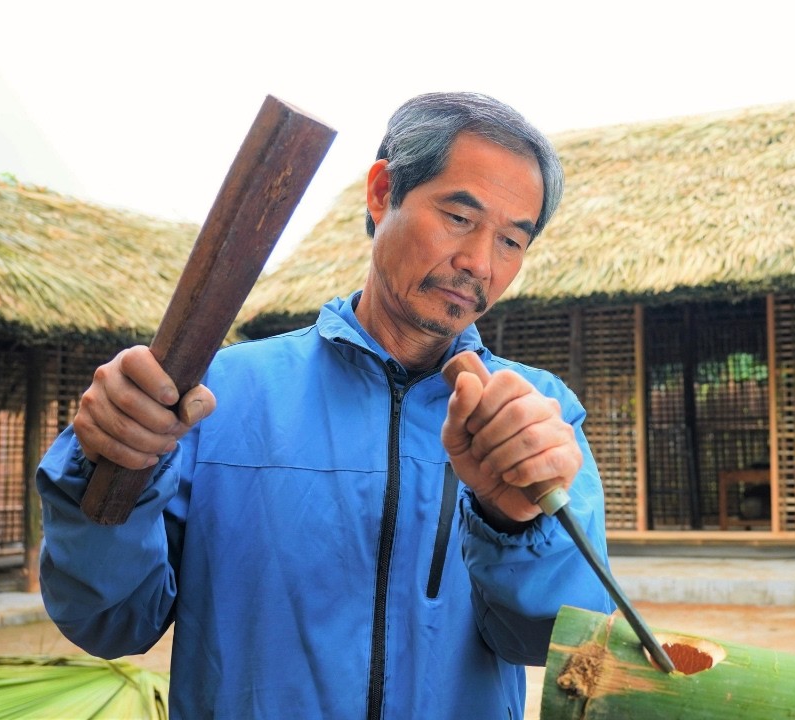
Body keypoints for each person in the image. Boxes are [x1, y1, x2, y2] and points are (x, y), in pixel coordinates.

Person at [36, 92, 615, 719]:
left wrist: (516, 523)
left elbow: (560, 646)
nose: (479, 261)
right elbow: (108, 620)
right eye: (458, 217)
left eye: (511, 241)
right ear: (381, 192)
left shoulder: (540, 419)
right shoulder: (216, 397)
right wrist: (105, 465)